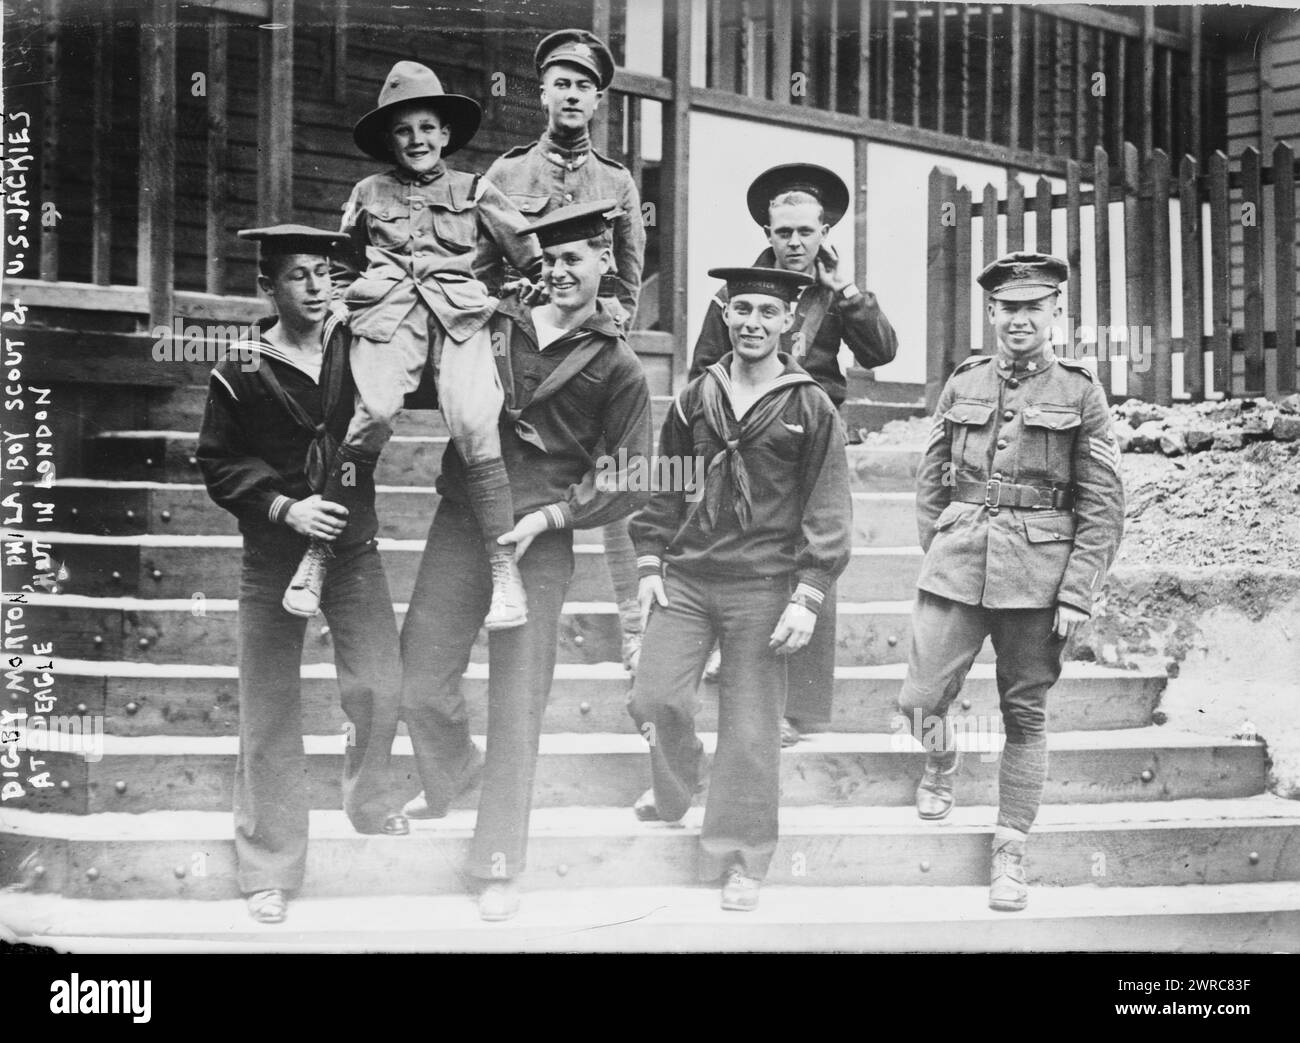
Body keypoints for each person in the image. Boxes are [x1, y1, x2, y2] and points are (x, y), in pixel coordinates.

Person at [398, 201, 653, 922]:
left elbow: (629, 473)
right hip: (462, 519)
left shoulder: (618, 363)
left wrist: (554, 515)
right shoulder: (495, 322)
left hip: (540, 539)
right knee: (419, 671)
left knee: (517, 699)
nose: (564, 270)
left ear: (608, 263)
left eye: (580, 257)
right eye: (554, 256)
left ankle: (498, 859)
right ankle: (455, 769)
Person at [197, 225, 411, 926]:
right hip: (273, 556)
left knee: (381, 683)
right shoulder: (239, 368)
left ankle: (370, 798)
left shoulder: (362, 350)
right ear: (267, 287)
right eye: (297, 276)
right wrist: (284, 506)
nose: (317, 288)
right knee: (269, 709)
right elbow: (218, 462)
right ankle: (268, 866)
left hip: (351, 550)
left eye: (324, 273)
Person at [898, 251, 1124, 912]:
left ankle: (1010, 848)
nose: (1020, 318)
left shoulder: (1081, 391)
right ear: (991, 311)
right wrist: (939, 548)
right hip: (958, 561)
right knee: (918, 699)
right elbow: (931, 476)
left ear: (1056, 311)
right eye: (1008, 307)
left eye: (1034, 306)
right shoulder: (962, 381)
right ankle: (941, 761)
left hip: (1039, 578)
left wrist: (1078, 589)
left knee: (1024, 716)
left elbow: (1104, 503)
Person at [282, 61, 542, 633]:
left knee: (476, 418)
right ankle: (320, 556)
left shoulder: (473, 188)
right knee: (370, 414)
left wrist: (512, 292)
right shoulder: (367, 191)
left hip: (461, 318)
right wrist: (348, 303)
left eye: (427, 128)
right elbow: (341, 260)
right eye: (404, 130)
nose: (417, 140)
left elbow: (526, 250)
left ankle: (505, 570)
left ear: (445, 134)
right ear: (389, 139)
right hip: (388, 317)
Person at [628, 266, 853, 911]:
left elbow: (829, 507)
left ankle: (740, 858)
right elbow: (665, 483)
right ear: (726, 316)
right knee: (655, 697)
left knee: (752, 731)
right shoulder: (697, 394)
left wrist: (809, 592)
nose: (752, 323)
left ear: (789, 324)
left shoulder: (811, 404)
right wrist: (648, 562)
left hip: (763, 586)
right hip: (691, 578)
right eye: (741, 310)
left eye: (767, 313)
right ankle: (678, 783)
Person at [689, 163, 899, 745]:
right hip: (743, 436)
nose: (795, 244)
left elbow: (880, 352)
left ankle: (801, 710)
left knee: (815, 553)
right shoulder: (738, 287)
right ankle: (721, 654)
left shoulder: (835, 291)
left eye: (807, 232)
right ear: (767, 232)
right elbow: (702, 365)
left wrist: (847, 293)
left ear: (825, 230)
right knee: (732, 545)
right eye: (783, 233)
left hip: (813, 434)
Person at [484, 28, 649, 674]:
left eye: (585, 85)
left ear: (599, 99)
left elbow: (629, 280)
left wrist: (598, 337)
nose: (573, 95)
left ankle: (633, 623)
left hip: (587, 356)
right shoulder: (508, 173)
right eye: (562, 83)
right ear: (543, 92)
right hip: (522, 347)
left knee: (617, 476)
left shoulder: (617, 181)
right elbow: (480, 266)